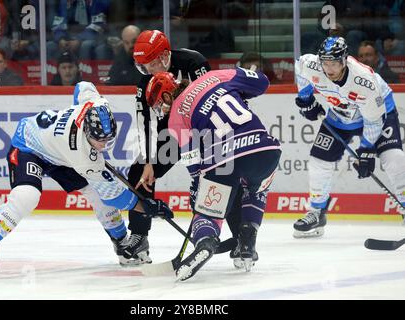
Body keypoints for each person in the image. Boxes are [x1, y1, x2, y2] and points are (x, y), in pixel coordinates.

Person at [0, 81, 174, 275]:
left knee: (95, 192)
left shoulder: (95, 103)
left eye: (108, 139)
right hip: (29, 146)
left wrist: (78, 107)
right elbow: (115, 197)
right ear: (86, 130)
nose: (103, 146)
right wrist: (148, 208)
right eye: (98, 141)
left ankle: (122, 244)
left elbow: (83, 86)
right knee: (27, 195)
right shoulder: (82, 154)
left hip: (58, 152)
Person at [145, 68, 281, 281]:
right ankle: (247, 237)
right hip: (265, 149)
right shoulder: (214, 77)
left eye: (159, 104)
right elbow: (262, 82)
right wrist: (238, 93)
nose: (161, 110)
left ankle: (205, 241)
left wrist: (198, 190)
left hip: (223, 158)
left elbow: (194, 164)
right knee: (256, 189)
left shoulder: (175, 117)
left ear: (166, 95)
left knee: (208, 209)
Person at [293, 36, 405, 238]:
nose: (329, 69)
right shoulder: (313, 65)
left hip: (379, 113)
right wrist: (306, 99)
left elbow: (374, 121)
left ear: (344, 60)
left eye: (334, 63)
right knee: (319, 160)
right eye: (325, 63)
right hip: (341, 115)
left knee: (394, 158)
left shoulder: (364, 82)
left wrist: (366, 151)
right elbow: (300, 67)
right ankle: (316, 212)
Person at [121, 29, 213, 263]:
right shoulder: (146, 80)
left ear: (163, 56)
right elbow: (144, 122)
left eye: (150, 64)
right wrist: (149, 161)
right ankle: (139, 235)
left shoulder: (194, 63)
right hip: (171, 133)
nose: (147, 71)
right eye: (142, 66)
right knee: (139, 173)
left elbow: (215, 98)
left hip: (203, 130)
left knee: (219, 178)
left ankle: (240, 235)